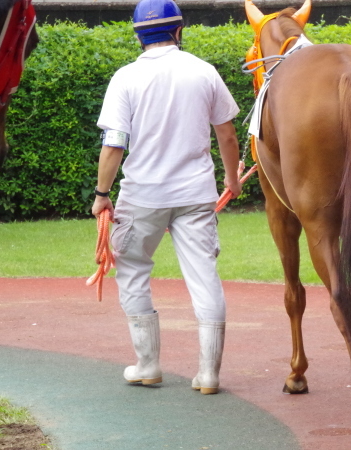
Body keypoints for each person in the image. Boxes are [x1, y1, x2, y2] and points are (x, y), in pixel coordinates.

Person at [91, 0, 241, 395]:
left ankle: (148, 364)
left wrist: (101, 195)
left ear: (139, 34)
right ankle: (208, 375)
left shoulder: (125, 78)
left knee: (133, 269)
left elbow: (114, 145)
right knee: (204, 277)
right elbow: (226, 134)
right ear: (179, 30)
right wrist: (232, 178)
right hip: (196, 194)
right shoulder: (203, 71)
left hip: (142, 195)